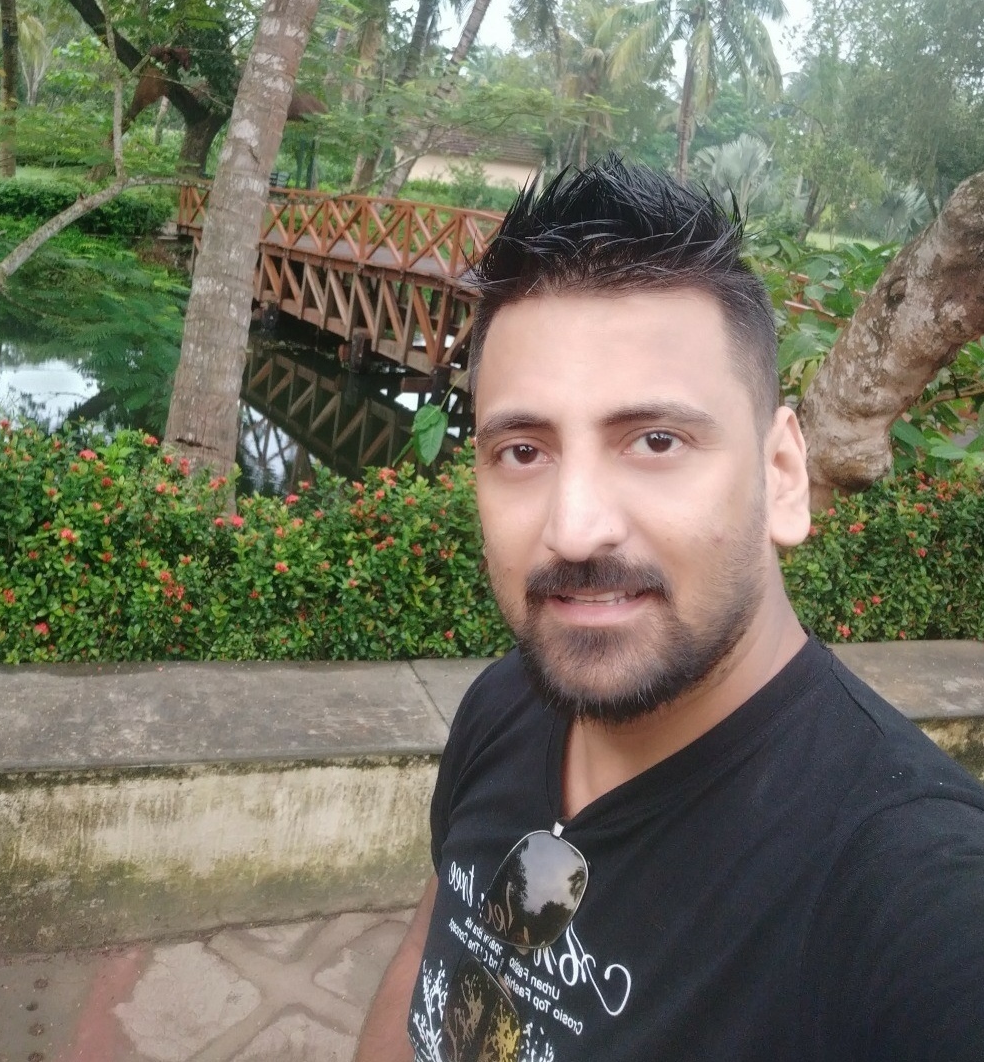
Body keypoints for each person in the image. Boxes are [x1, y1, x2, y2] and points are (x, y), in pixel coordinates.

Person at [353, 157, 984, 1062]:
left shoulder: (904, 889)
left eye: (655, 440)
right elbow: (430, 952)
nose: (574, 529)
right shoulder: (503, 706)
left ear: (782, 475)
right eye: (523, 452)